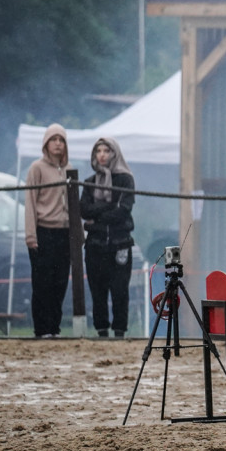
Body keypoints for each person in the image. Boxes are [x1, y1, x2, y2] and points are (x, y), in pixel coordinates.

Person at [79, 137, 135, 338]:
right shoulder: (89, 182)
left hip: (120, 243)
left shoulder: (125, 180)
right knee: (97, 290)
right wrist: (109, 206)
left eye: (106, 151)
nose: (102, 155)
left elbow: (123, 211)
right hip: (95, 244)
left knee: (120, 290)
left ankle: (119, 330)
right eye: (98, 151)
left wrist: (98, 216)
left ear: (114, 153)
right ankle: (101, 329)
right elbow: (84, 210)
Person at [24, 124, 72, 338]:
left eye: (61, 140)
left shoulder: (69, 170)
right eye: (54, 140)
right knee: (42, 282)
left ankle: (54, 327)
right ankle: (41, 328)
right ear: (46, 143)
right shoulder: (37, 168)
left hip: (64, 233)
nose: (58, 144)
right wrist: (30, 235)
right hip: (43, 232)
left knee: (60, 281)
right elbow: (30, 203)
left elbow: (73, 203)